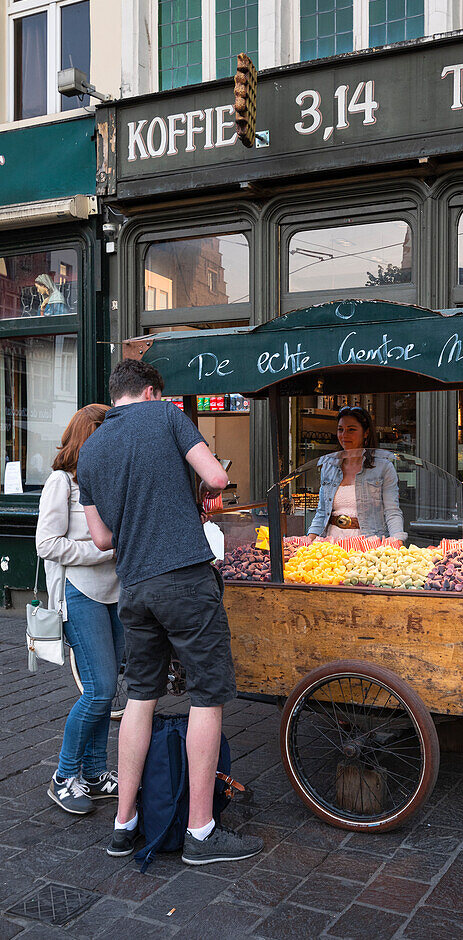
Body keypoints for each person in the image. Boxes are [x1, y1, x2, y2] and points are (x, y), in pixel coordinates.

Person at [77, 358, 263, 866]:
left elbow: (102, 539)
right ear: (152, 391)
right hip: (183, 578)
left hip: (133, 587)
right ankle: (201, 831)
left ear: (116, 395)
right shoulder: (166, 416)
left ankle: (123, 825)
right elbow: (217, 477)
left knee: (140, 697)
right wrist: (201, 494)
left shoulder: (89, 451)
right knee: (207, 693)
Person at [36, 404, 122, 817]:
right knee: (101, 689)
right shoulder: (60, 482)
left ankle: (94, 772)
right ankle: (63, 775)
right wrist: (98, 552)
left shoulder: (104, 478)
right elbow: (46, 544)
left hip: (115, 594)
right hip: (80, 592)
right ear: (91, 436)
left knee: (105, 691)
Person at [307, 406, 406, 544]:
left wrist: (397, 540)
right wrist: (308, 541)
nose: (344, 435)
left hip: (368, 542)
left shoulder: (383, 467)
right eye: (340, 429)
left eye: (351, 429)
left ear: (366, 433)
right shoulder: (329, 467)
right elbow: (322, 512)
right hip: (331, 543)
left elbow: (392, 511)